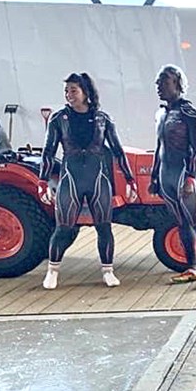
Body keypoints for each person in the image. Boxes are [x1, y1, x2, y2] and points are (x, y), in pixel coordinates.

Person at [38, 72, 137, 289]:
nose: (69, 95)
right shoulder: (58, 119)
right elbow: (48, 152)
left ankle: (108, 271)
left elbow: (118, 151)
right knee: (63, 227)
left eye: (73, 90)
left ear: (86, 92)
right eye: (66, 91)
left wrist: (130, 180)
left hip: (97, 179)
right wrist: (43, 182)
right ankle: (52, 271)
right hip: (71, 178)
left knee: (104, 226)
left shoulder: (102, 119)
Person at [152, 64, 196, 288]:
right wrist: (155, 177)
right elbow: (159, 147)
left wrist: (191, 177)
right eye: (158, 82)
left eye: (164, 81)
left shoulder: (189, 113)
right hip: (167, 175)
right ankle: (193, 267)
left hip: (185, 175)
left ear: (177, 84)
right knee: (181, 223)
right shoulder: (163, 113)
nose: (158, 86)